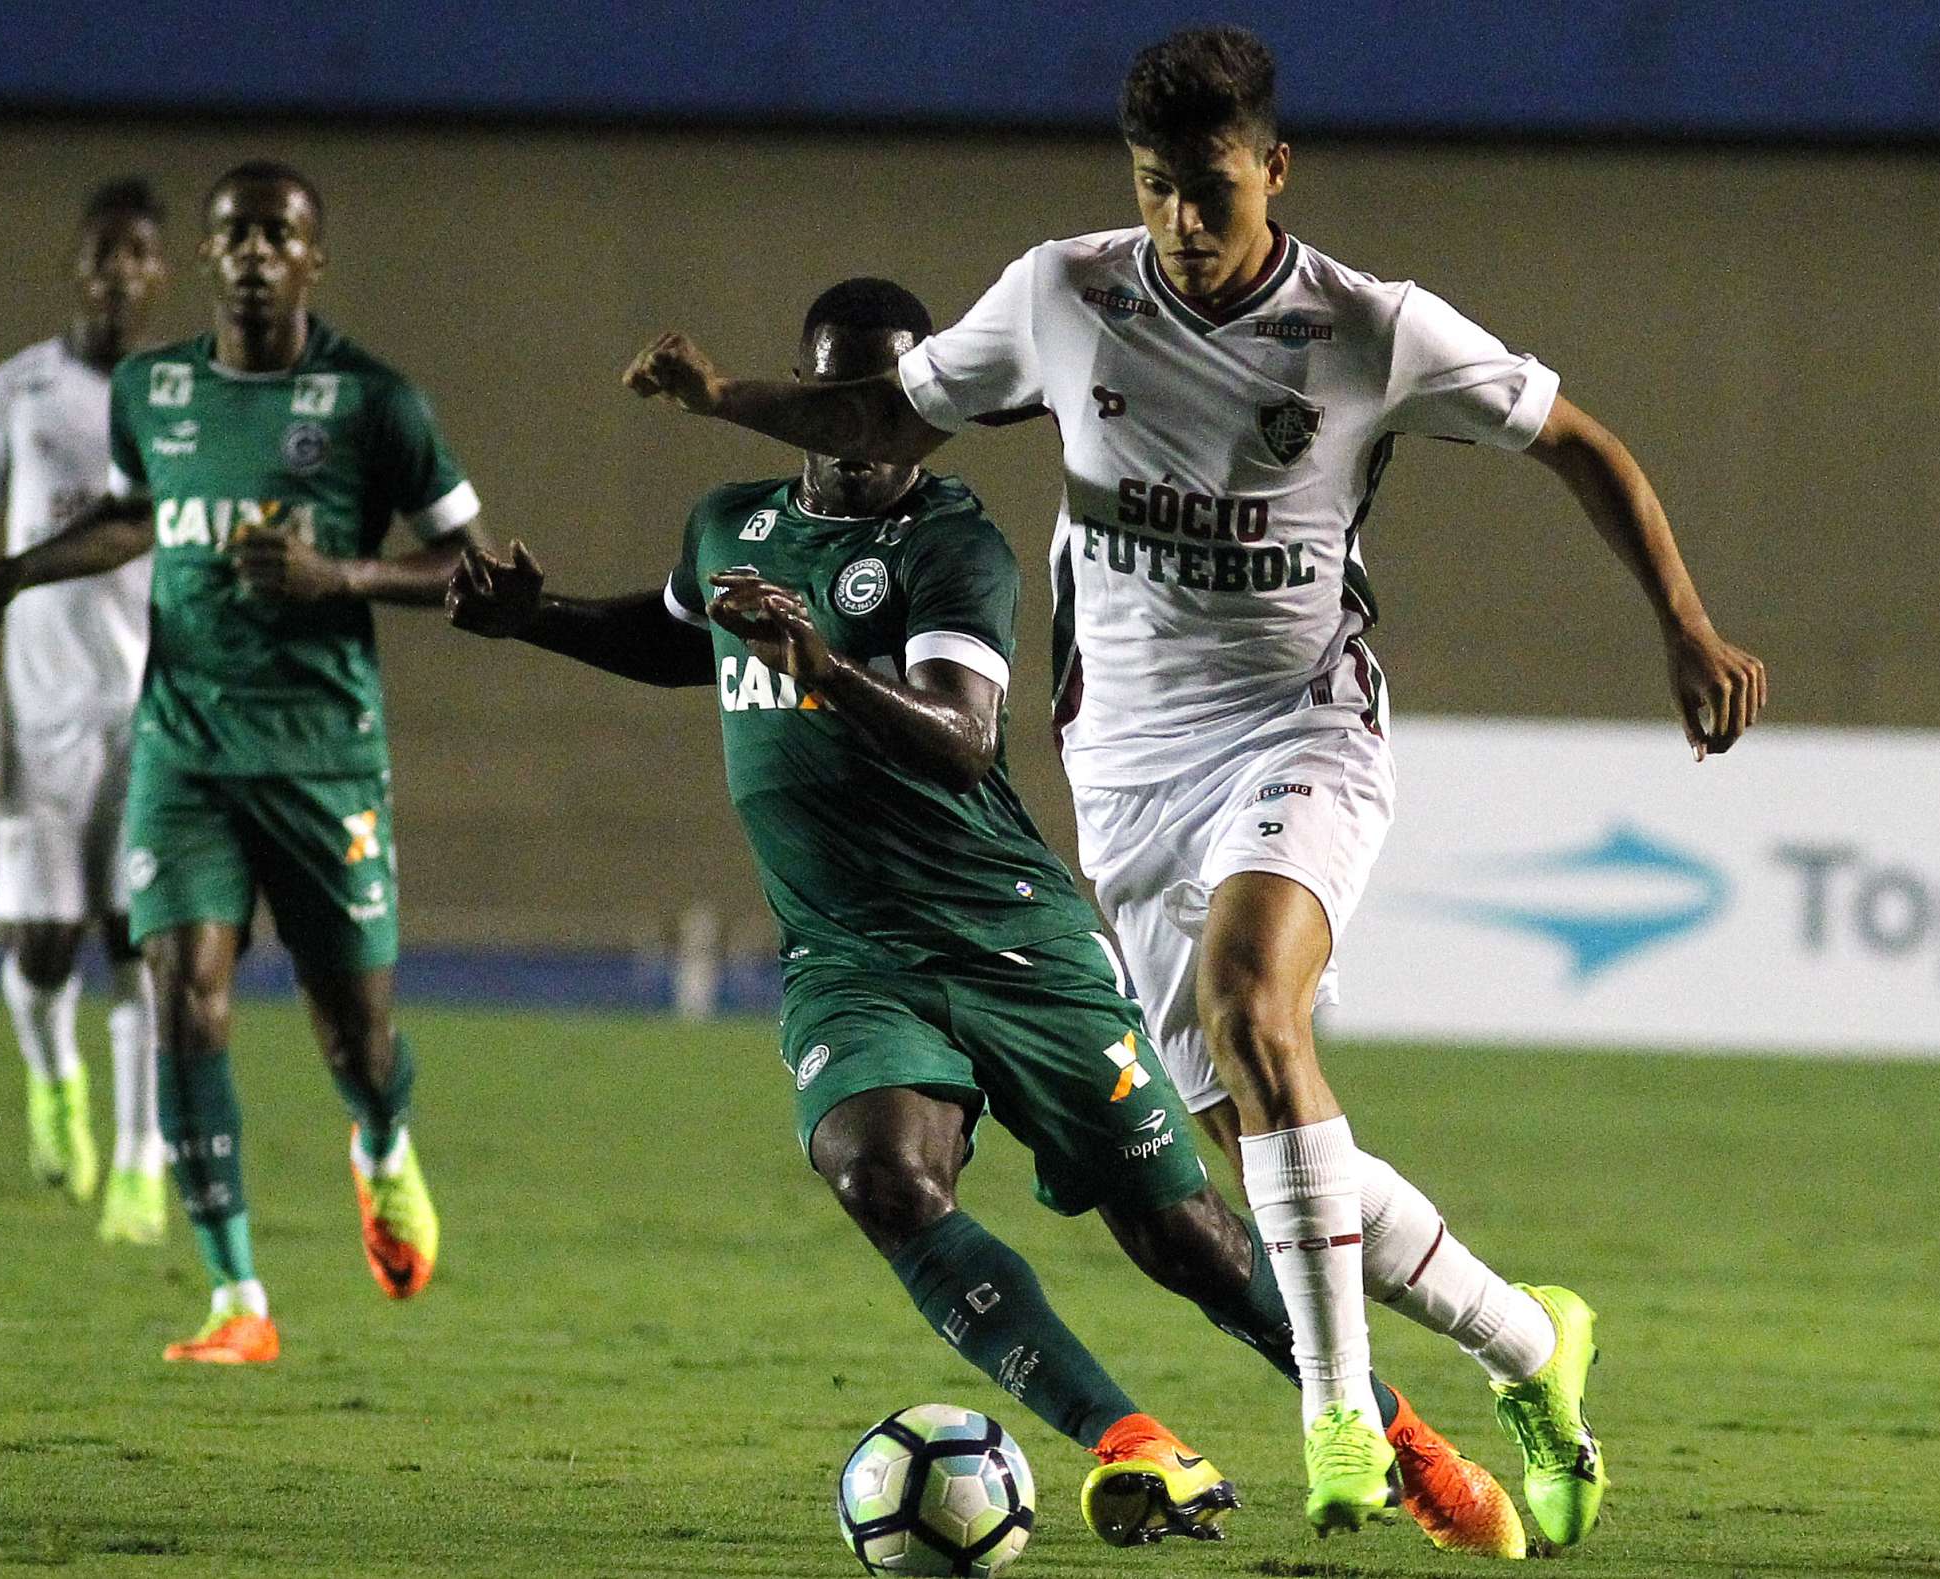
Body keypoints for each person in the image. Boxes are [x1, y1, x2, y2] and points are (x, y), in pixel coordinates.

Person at [620, 26, 1771, 1549]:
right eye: (1156, 189)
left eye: (1211, 192)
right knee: (1267, 1144)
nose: (1181, 223)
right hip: (1130, 774)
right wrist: (724, 402)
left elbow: (1581, 443)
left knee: (1254, 1004)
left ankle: (1341, 1415)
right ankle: (1526, 1336)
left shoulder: (1372, 329)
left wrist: (1685, 624)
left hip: (1302, 726)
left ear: (1276, 171)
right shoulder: (1063, 294)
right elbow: (887, 412)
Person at [449, 277, 1529, 1558]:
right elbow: (684, 639)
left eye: (887, 406)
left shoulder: (952, 542)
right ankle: (1138, 1445)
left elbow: (960, 738)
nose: (862, 432)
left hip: (1010, 937)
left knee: (1181, 1233)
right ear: (805, 400)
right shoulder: (729, 523)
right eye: (840, 402)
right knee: (881, 1173)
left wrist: (821, 667)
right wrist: (541, 620)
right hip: (851, 956)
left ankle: (1402, 1438)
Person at [0, 161, 492, 1365]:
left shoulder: (373, 401)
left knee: (353, 1038)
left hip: (323, 761)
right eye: (234, 236)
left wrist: (341, 576)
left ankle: (381, 1142)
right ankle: (236, 1296)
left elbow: (476, 568)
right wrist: (23, 567)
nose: (254, 253)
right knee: (182, 999)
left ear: (314, 259)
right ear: (208, 259)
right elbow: (139, 511)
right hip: (184, 752)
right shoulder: (154, 388)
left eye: (279, 235)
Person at [0, 177, 171, 1244]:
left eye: (140, 255)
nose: (119, 272)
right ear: (79, 265)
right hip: (42, 720)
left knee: (142, 942)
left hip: (155, 715)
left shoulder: (178, 400)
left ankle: (142, 1165)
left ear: (161, 275)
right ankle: (54, 1074)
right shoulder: (10, 392)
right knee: (45, 949)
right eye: (103, 251)